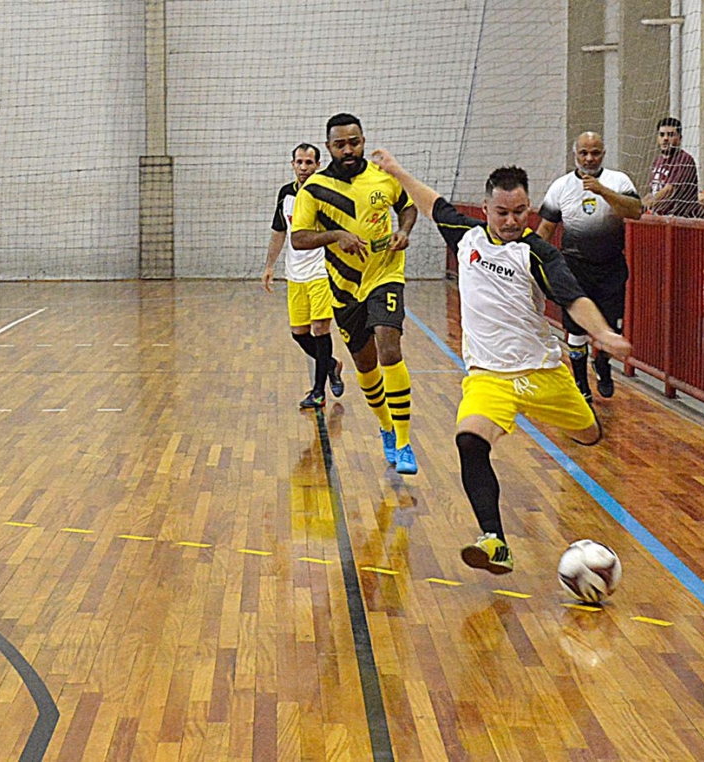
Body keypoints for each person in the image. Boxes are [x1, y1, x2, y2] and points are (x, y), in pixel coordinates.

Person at [372, 148, 631, 574]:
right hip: (489, 378)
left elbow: (573, 298)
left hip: (543, 374)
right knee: (469, 442)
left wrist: (602, 333)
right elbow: (430, 201)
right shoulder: (466, 235)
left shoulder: (538, 253)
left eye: (520, 212)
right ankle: (494, 541)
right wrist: (397, 171)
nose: (512, 222)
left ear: (529, 208)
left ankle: (587, 426)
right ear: (486, 208)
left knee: (589, 435)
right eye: (502, 212)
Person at [291, 113, 420, 474]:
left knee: (389, 347)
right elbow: (299, 239)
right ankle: (386, 427)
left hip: (385, 273)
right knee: (366, 367)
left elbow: (407, 207)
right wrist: (335, 236)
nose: (349, 150)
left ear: (363, 140)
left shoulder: (384, 177)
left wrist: (404, 230)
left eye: (355, 142)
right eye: (340, 144)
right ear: (329, 146)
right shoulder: (314, 189)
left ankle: (406, 442)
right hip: (345, 288)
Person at [536, 131, 642, 401]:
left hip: (610, 266)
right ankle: (581, 385)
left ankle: (603, 364)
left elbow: (635, 210)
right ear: (575, 155)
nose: (589, 158)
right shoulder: (560, 186)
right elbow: (546, 229)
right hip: (574, 266)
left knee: (612, 327)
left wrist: (602, 190)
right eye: (584, 153)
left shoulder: (618, 180)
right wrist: (530, 264)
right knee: (576, 328)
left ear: (603, 153)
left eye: (595, 152)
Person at [262, 143, 345, 408]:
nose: (303, 167)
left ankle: (318, 392)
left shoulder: (326, 191)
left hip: (321, 270)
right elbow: (279, 231)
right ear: (292, 164)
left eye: (309, 162)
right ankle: (331, 364)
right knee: (299, 332)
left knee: (320, 329)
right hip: (295, 273)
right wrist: (269, 266)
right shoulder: (285, 194)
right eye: (299, 162)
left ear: (318, 165)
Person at [645, 117, 701, 218]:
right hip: (660, 218)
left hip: (680, 221)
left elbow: (669, 190)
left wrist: (647, 205)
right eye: (662, 135)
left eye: (670, 135)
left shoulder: (684, 160)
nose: (665, 138)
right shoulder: (657, 161)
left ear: (680, 138)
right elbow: (653, 192)